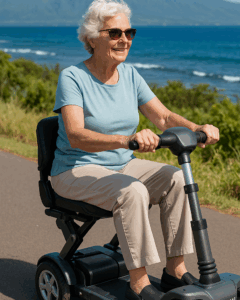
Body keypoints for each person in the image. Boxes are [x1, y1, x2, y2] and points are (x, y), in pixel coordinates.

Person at [50, 0, 219, 299]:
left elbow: (163, 117)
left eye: (129, 32)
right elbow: (76, 135)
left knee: (176, 179)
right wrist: (126, 139)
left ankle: (174, 270)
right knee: (133, 191)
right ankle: (139, 282)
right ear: (92, 38)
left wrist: (197, 129)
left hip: (121, 165)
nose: (124, 39)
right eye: (114, 32)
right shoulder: (73, 77)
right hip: (75, 169)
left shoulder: (129, 75)